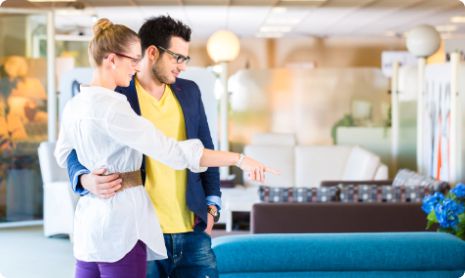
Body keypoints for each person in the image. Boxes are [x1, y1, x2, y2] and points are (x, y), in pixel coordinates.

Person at [55, 18, 275, 278]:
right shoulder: (118, 100)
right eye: (177, 57)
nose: (182, 66)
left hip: (174, 226)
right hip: (138, 227)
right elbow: (174, 152)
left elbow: (205, 143)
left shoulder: (79, 103)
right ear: (151, 53)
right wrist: (84, 178)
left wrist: (212, 204)